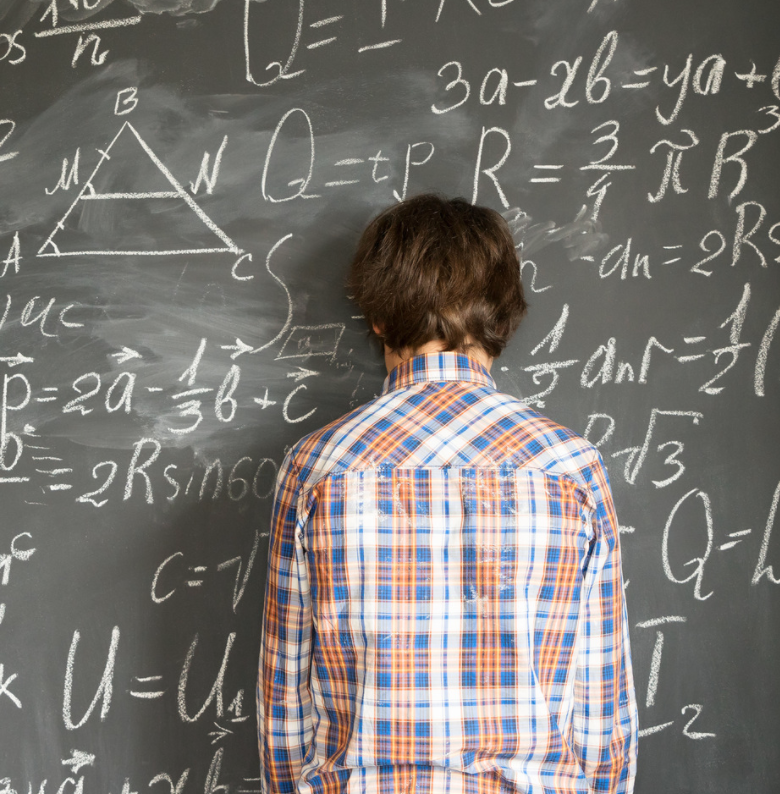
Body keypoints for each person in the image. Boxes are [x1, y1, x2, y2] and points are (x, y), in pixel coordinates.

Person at [257, 194, 637, 794]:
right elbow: (601, 708)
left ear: (378, 317)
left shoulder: (317, 469)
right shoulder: (571, 468)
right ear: (503, 315)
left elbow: (286, 706)